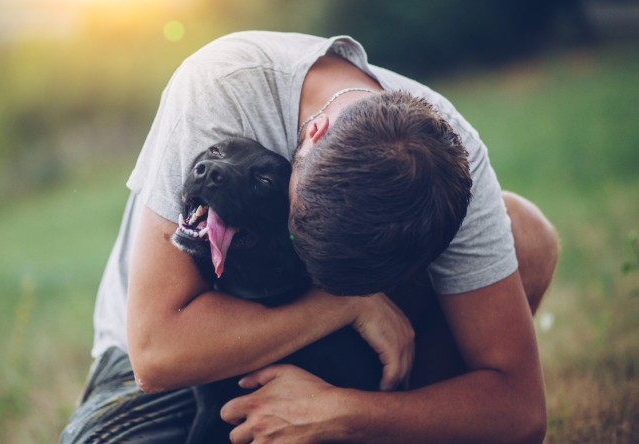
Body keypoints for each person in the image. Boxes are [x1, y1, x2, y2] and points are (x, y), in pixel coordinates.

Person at [60, 31, 558, 443]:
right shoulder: (222, 86)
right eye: (299, 231)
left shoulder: (448, 173)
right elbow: (156, 354)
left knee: (525, 234)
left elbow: (519, 410)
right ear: (313, 133)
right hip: (180, 355)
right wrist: (345, 306)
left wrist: (344, 413)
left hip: (353, 363)